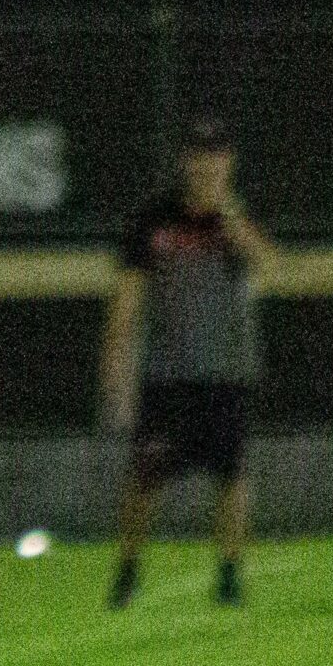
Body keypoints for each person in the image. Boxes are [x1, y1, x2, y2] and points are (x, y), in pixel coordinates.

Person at [100, 119, 274, 608]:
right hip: (165, 371)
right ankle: (127, 570)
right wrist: (117, 370)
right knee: (146, 475)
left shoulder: (236, 217)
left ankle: (229, 573)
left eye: (216, 155)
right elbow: (128, 296)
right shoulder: (155, 218)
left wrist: (228, 214)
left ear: (228, 161)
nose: (207, 165)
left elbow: (267, 264)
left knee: (231, 474)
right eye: (199, 155)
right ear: (185, 160)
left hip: (226, 369)